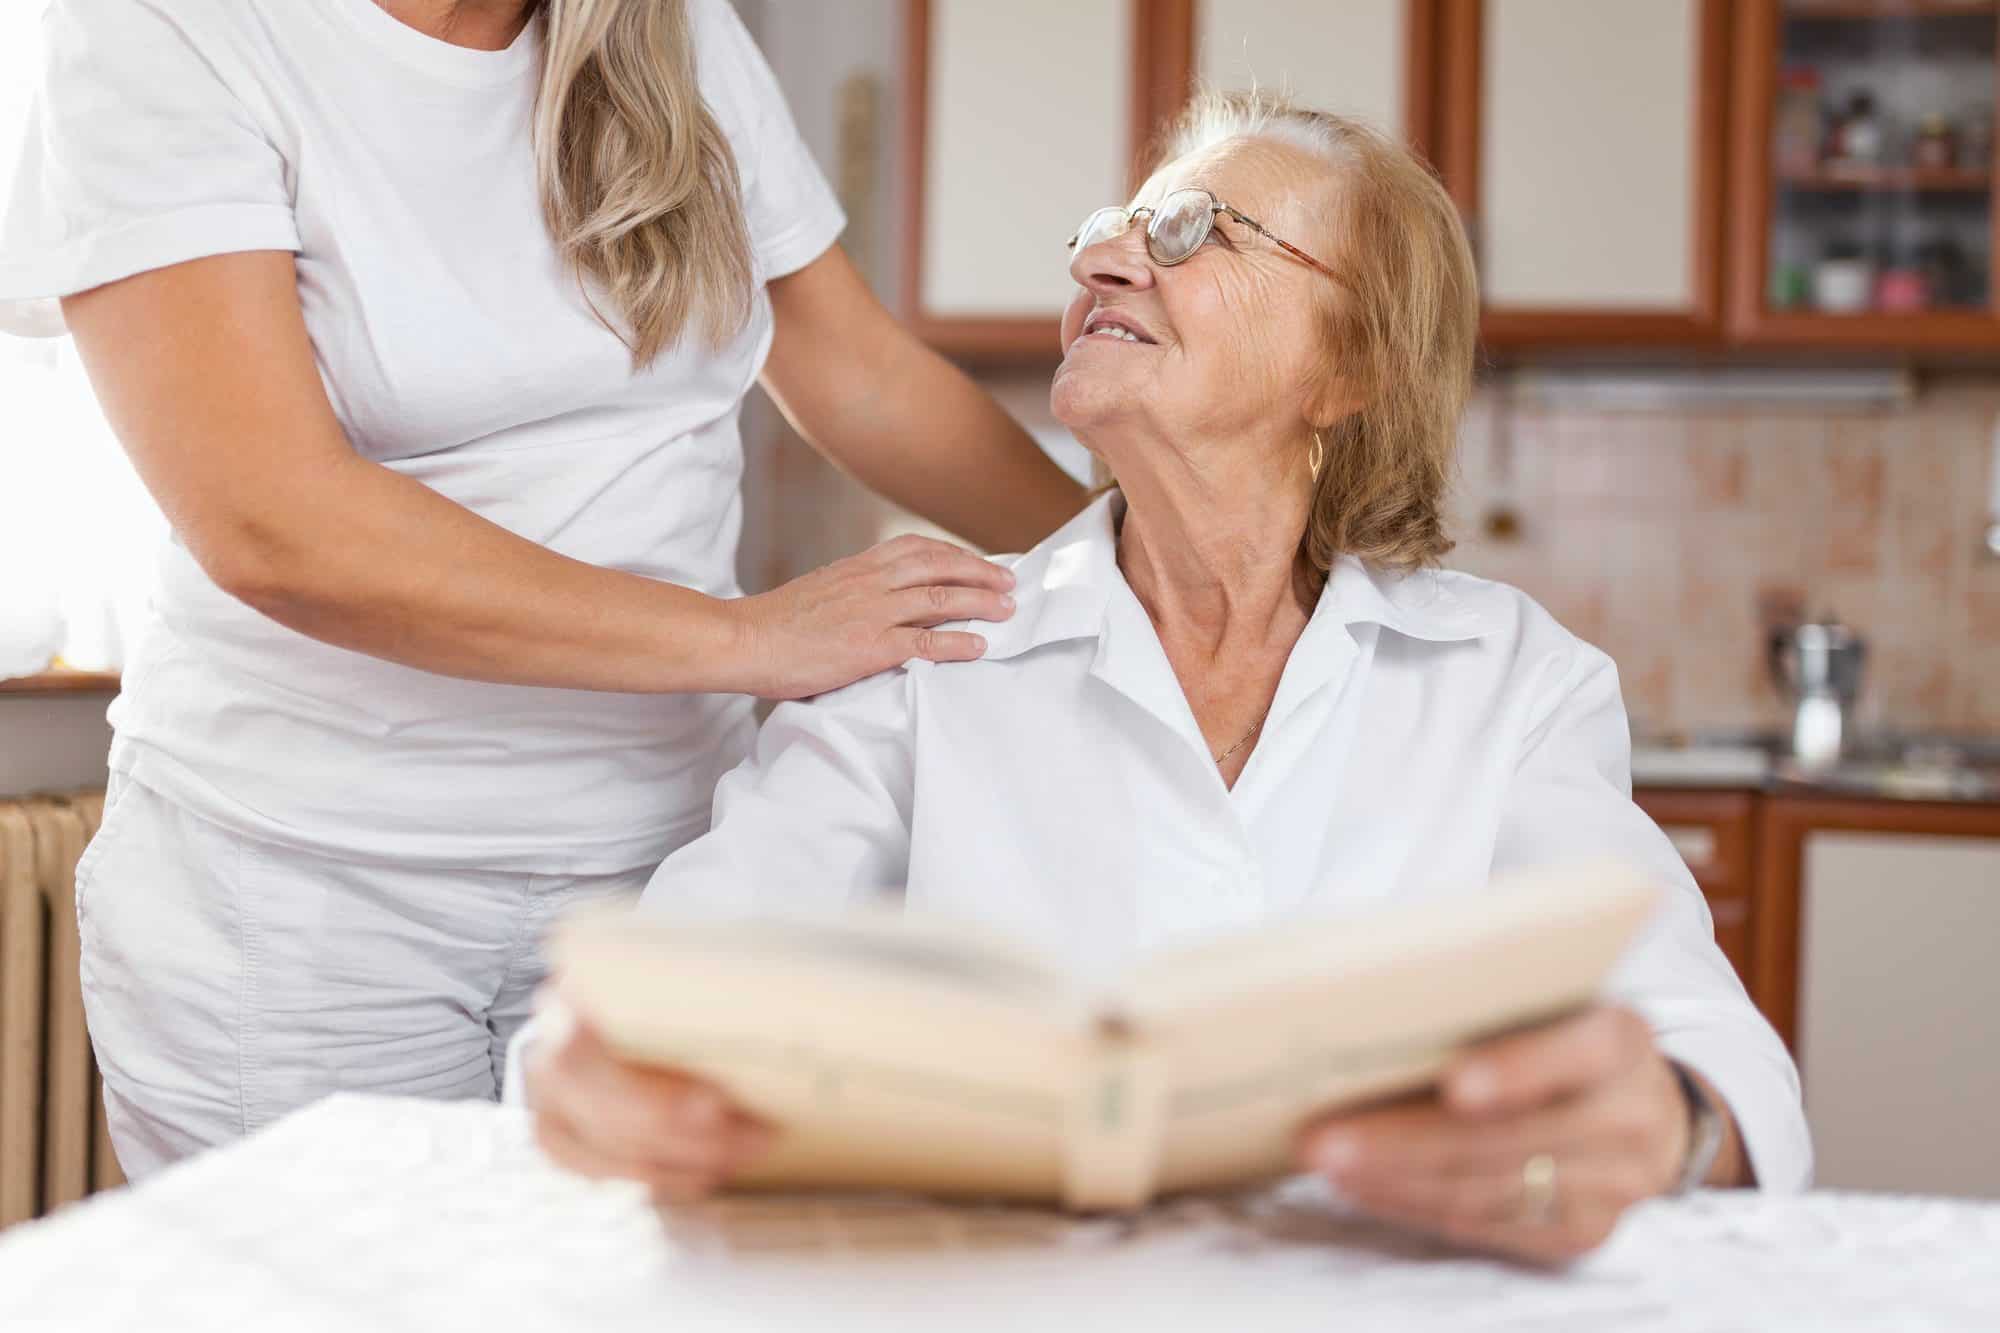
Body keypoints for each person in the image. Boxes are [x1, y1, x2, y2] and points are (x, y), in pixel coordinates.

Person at [521, 91, 1812, 1265]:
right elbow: (667, 974)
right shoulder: (925, 646)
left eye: (1201, 230)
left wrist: (1672, 1126)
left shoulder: (1507, 680)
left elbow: (1711, 1054)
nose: (1100, 258)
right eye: (1111, 230)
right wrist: (599, 1069)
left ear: (1350, 371)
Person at [0, 0, 1083, 1178]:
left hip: (663, 877)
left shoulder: (671, 31)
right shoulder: (165, 25)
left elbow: (859, 373)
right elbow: (274, 522)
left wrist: (1131, 556)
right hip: (315, 899)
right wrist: (750, 639)